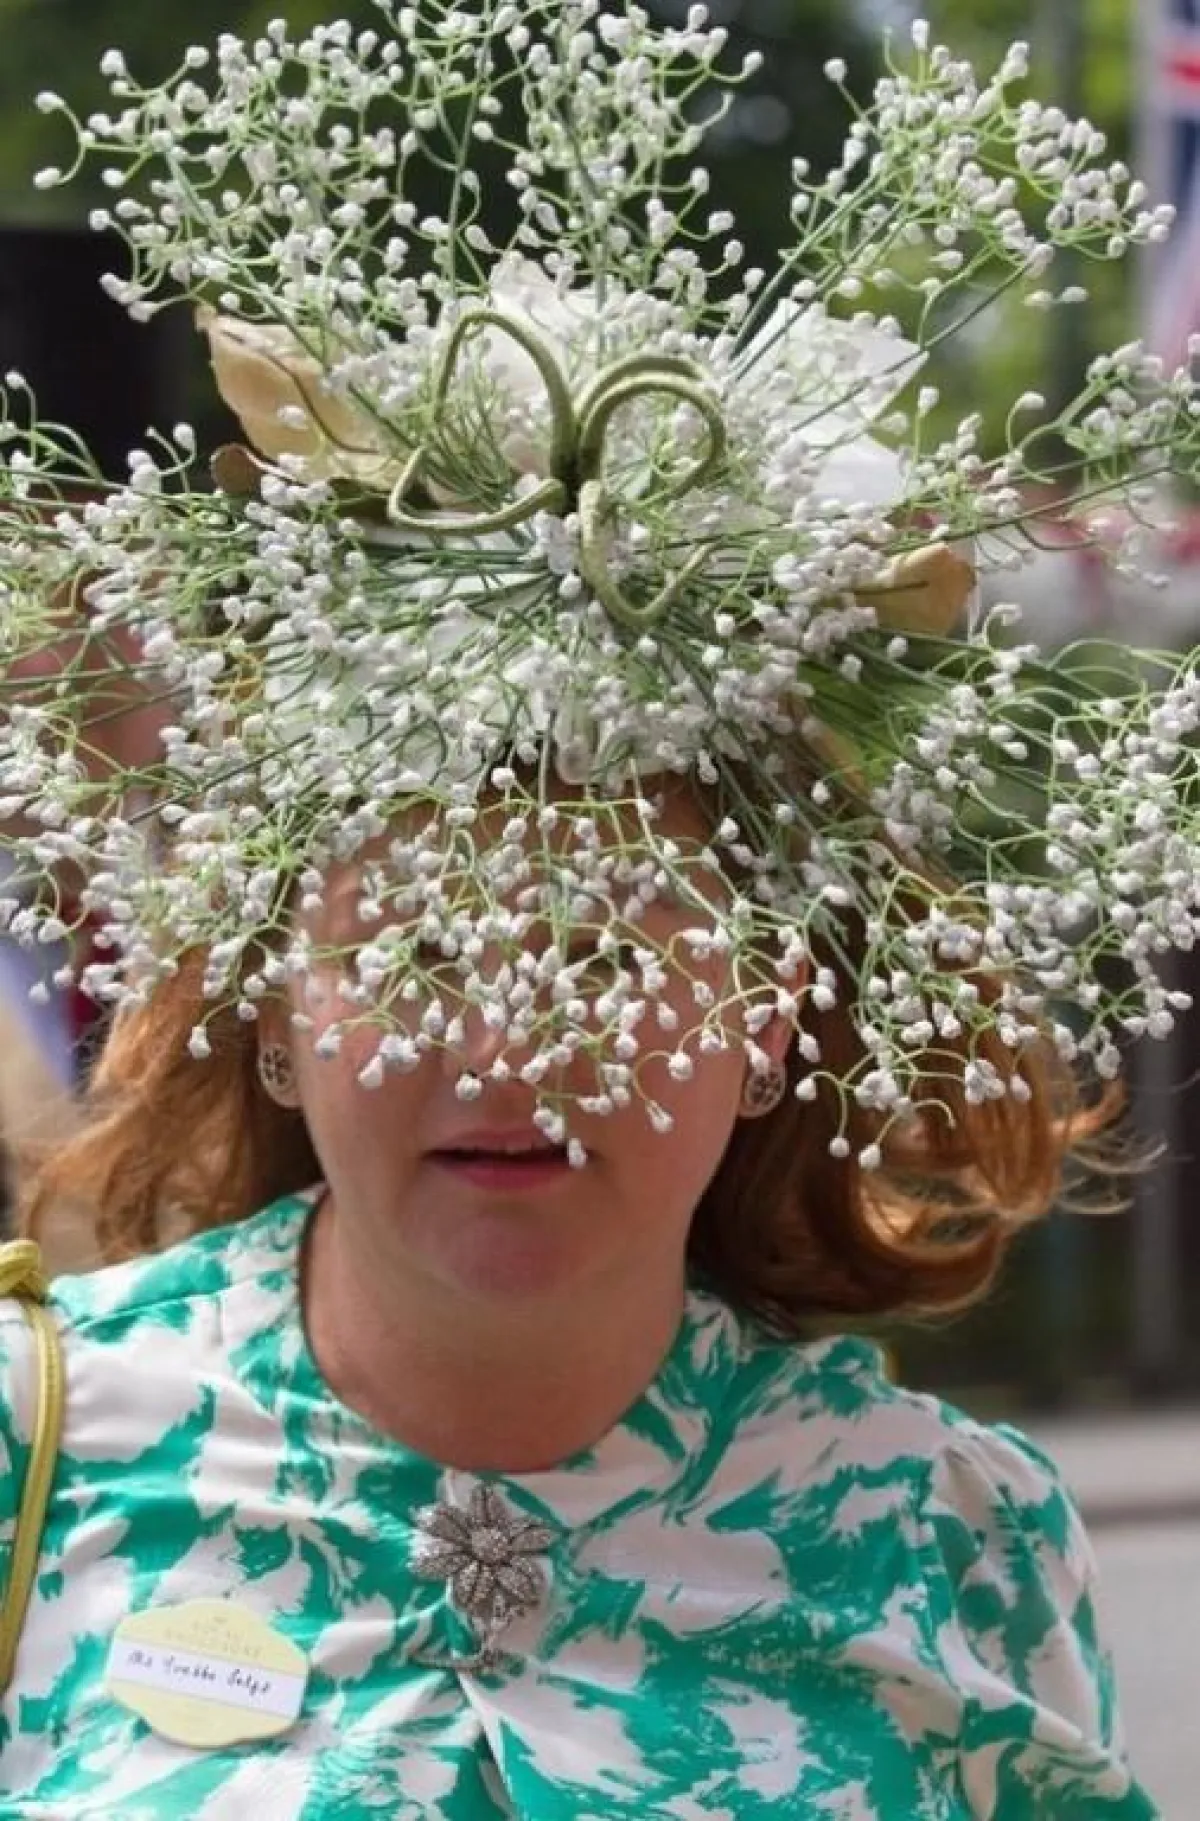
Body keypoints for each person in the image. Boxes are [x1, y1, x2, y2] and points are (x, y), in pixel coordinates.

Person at [0, 5, 1195, 1815]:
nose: (513, 1042)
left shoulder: (953, 1540)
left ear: (773, 1007)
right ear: (274, 1003)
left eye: (605, 951)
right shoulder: (44, 1448)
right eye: (420, 946)